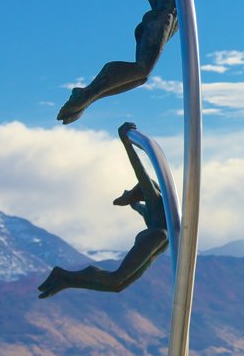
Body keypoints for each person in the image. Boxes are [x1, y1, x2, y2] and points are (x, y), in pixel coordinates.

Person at [38, 122, 169, 298]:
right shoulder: (156, 199)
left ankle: (67, 279)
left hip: (160, 242)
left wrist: (131, 202)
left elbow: (137, 206)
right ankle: (64, 275)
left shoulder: (149, 207)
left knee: (117, 286)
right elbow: (141, 172)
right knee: (115, 279)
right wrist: (126, 143)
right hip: (155, 238)